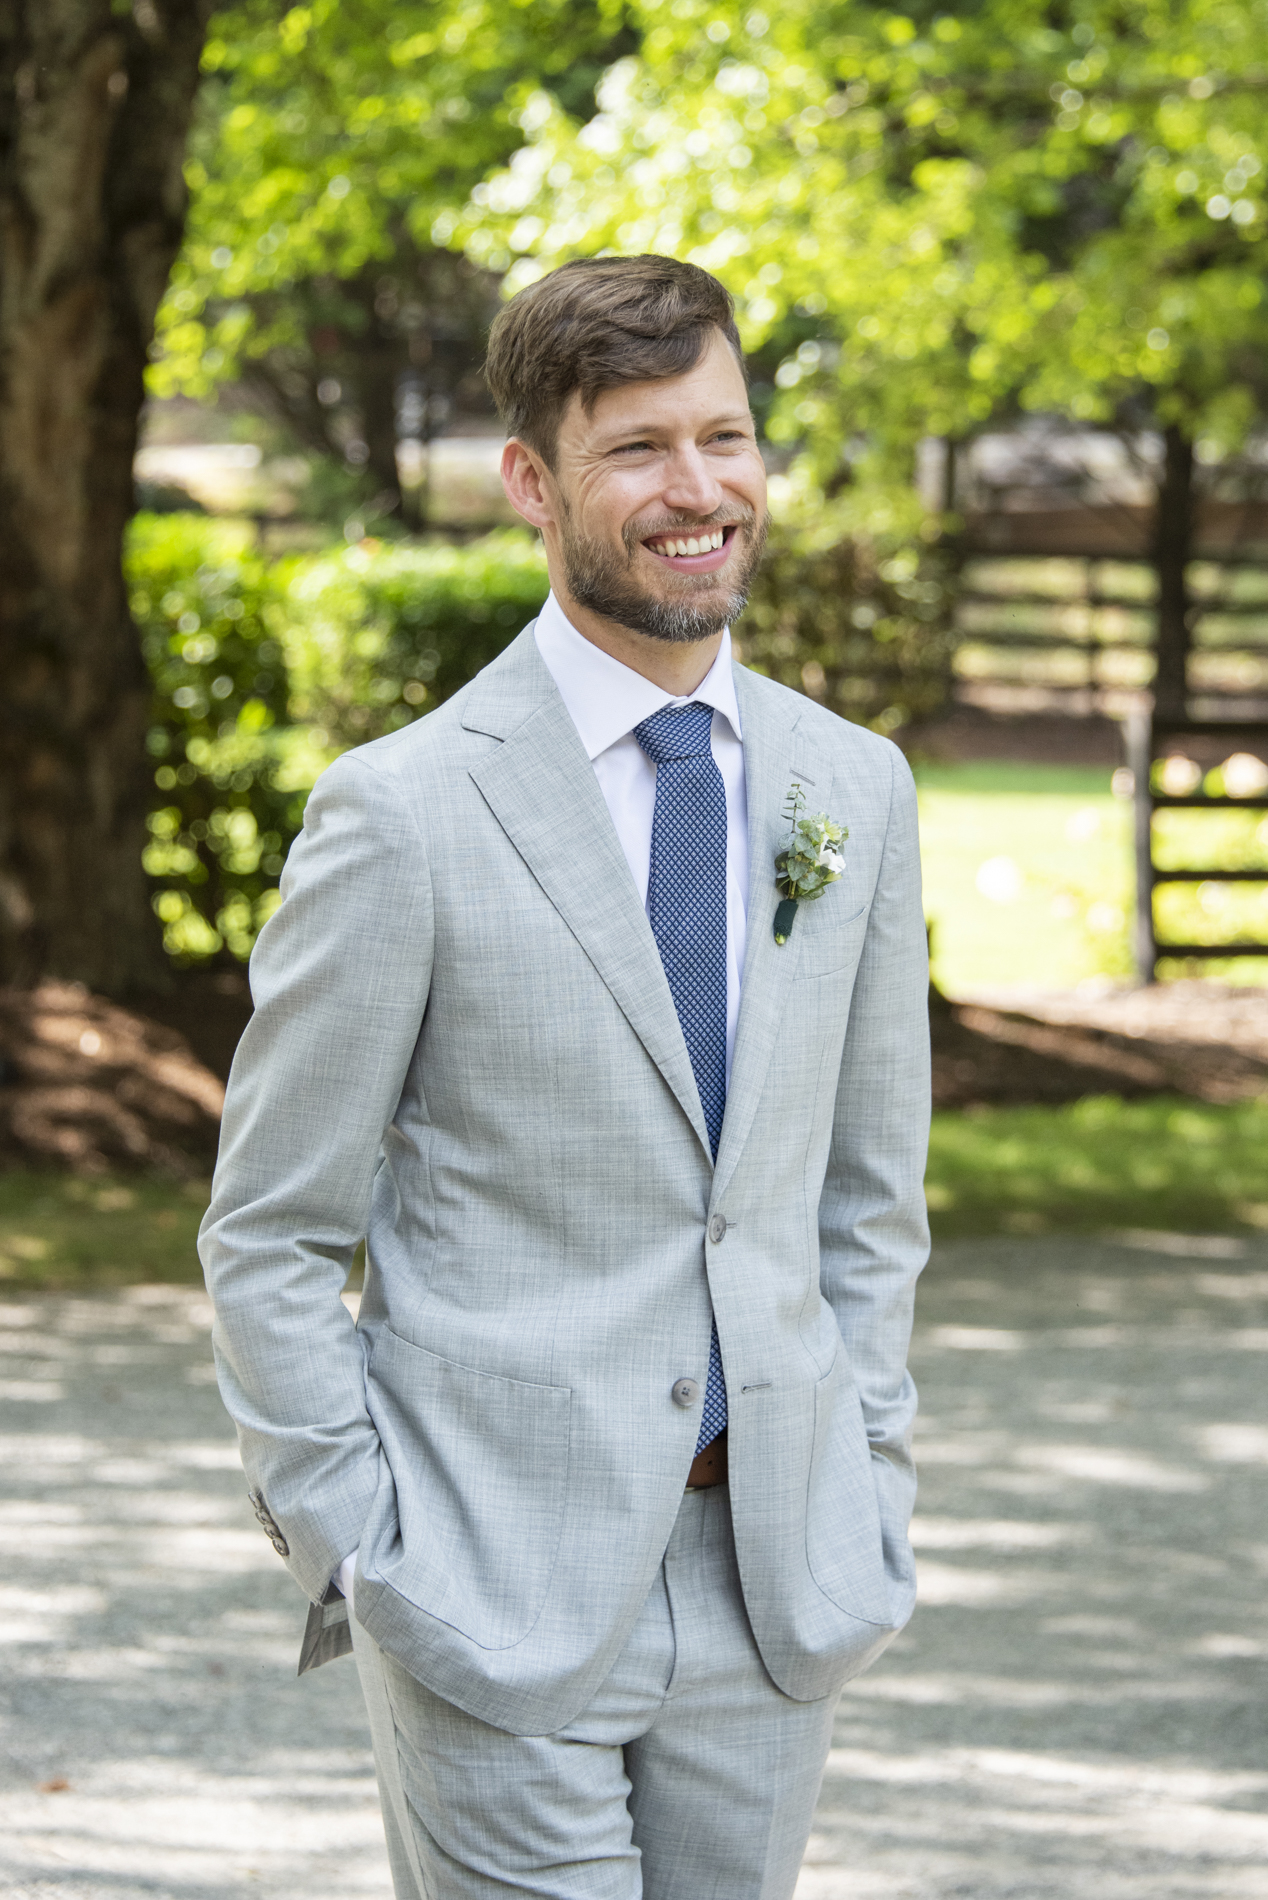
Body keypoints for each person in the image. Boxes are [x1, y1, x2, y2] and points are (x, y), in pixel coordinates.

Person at [200, 253, 930, 1900]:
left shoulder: (853, 790)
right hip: (492, 1585)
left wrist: (871, 1478)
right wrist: (361, 1545)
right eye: (640, 449)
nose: (702, 491)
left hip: (776, 1589)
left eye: (725, 437)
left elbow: (869, 1194)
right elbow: (271, 1228)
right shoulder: (405, 815)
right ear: (532, 481)